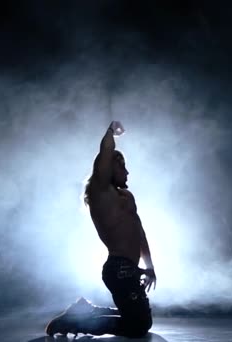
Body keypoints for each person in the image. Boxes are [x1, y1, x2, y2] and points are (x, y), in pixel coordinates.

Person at [45, 120, 157, 338]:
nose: (127, 171)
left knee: (142, 321)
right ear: (107, 171)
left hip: (130, 269)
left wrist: (149, 266)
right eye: (121, 166)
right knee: (138, 326)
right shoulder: (101, 193)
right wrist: (110, 132)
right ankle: (75, 322)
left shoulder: (127, 197)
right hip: (118, 269)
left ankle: (87, 311)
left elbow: (139, 232)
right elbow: (105, 153)